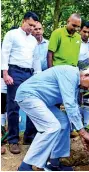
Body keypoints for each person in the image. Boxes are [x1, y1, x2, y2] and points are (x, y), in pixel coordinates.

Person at [16, 66, 89, 171]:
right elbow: (69, 104)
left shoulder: (76, 82)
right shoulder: (71, 74)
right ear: (86, 75)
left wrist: (81, 132)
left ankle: (54, 163)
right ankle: (25, 166)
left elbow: (74, 106)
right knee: (51, 127)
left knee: (64, 122)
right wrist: (83, 132)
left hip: (40, 100)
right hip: (28, 96)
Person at [1, 11, 41, 154]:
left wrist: (38, 76)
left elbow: (36, 60)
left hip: (29, 73)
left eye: (34, 26)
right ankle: (13, 140)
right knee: (13, 105)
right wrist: (5, 73)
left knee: (32, 104)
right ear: (23, 21)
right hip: (14, 71)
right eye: (30, 25)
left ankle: (29, 137)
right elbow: (4, 52)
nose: (31, 28)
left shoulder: (33, 41)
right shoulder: (12, 35)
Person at [78, 21, 89, 127]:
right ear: (80, 30)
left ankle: (86, 124)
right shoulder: (75, 41)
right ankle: (76, 125)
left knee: (88, 98)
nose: (86, 34)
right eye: (84, 31)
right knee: (76, 99)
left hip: (88, 74)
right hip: (76, 72)